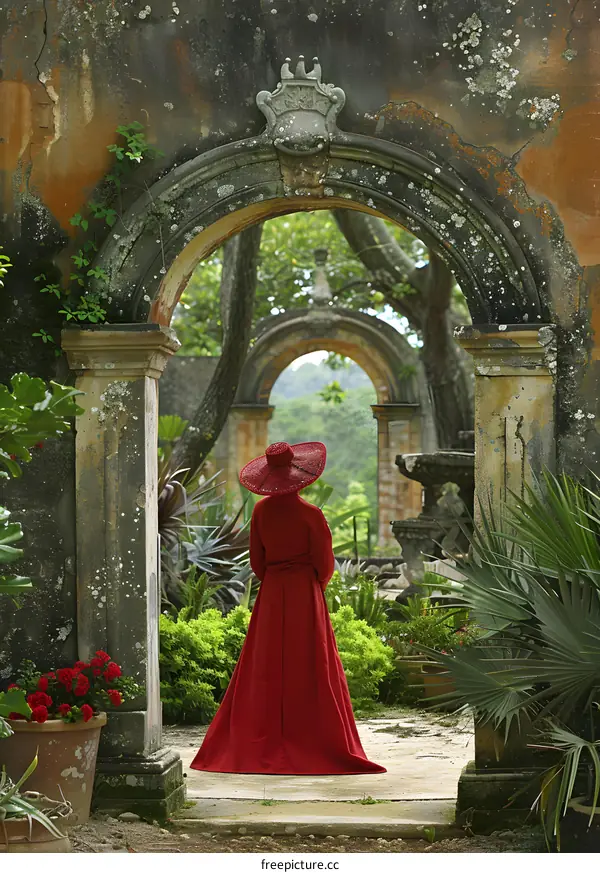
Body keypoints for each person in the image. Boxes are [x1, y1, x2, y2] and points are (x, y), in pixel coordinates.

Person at [190, 440, 386, 775]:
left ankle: (258, 741)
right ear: (296, 471)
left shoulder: (261, 512)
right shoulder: (312, 515)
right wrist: (311, 587)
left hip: (272, 593)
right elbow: (325, 565)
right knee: (309, 665)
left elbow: (257, 562)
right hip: (304, 595)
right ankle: (312, 741)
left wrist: (276, 580)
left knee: (265, 666)